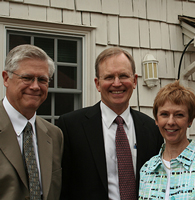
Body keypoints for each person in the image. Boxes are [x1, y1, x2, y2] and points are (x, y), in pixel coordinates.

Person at [57, 47, 163, 200]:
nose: (117, 83)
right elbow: (63, 187)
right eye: (108, 77)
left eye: (123, 75)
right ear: (97, 84)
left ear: (134, 81)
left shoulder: (152, 128)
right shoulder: (71, 126)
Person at [0, 44, 63, 200]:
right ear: (6, 78)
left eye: (42, 79)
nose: (35, 86)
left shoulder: (55, 135)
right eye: (27, 78)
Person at [139, 80, 195, 199]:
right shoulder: (147, 169)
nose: (171, 122)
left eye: (179, 115)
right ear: (156, 120)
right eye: (164, 114)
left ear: (190, 120)